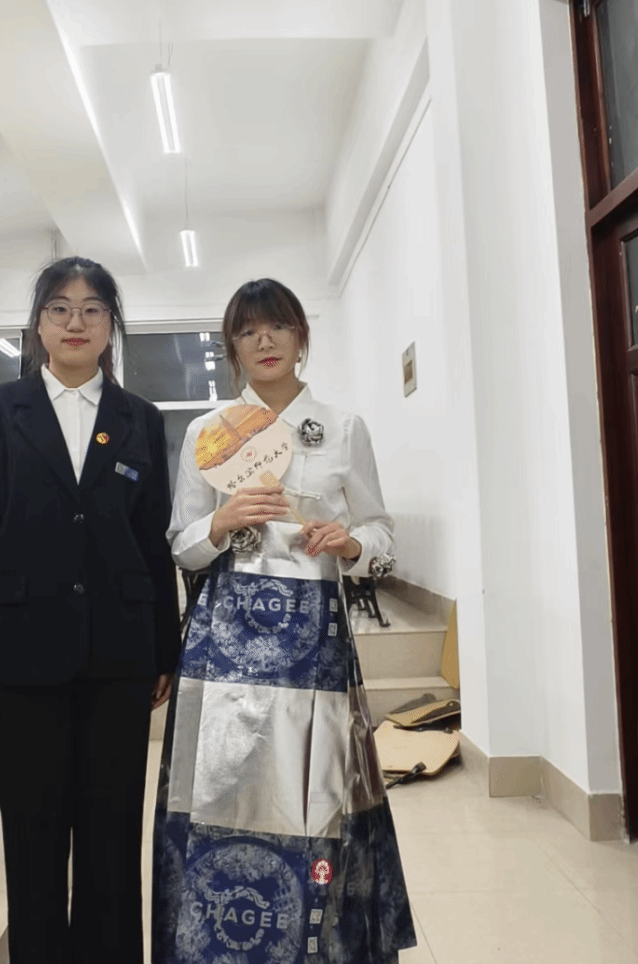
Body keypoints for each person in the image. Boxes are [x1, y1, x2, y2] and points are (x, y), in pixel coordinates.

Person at [154, 278, 416, 963]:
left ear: (301, 337)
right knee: (219, 796)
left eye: (277, 326)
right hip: (225, 644)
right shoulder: (208, 433)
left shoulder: (342, 428)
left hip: (313, 643)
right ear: (232, 348)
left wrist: (351, 543)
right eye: (247, 330)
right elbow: (180, 543)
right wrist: (220, 522)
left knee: (321, 798)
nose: (263, 340)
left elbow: (381, 533)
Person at [0, 256, 180, 964]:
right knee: (32, 834)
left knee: (111, 836)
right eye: (60, 308)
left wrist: (164, 648)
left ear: (111, 326)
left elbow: (152, 538)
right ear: (38, 324)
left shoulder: (140, 419)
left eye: (93, 309)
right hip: (18, 652)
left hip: (120, 653)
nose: (76, 322)